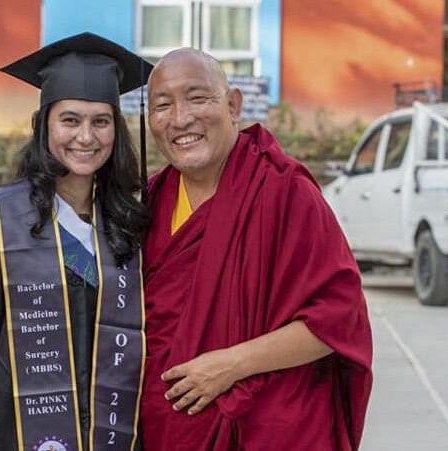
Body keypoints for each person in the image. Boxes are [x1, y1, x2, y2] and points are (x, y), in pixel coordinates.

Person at [140, 48, 373, 450]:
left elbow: (338, 321)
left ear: (232, 105)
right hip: (169, 429)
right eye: (163, 105)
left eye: (198, 98)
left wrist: (230, 365)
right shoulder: (149, 202)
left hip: (270, 427)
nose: (180, 119)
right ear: (150, 120)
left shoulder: (284, 193)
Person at [0, 32, 152, 451]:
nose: (86, 137)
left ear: (116, 131)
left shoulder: (131, 225)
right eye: (70, 120)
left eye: (100, 121)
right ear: (44, 124)